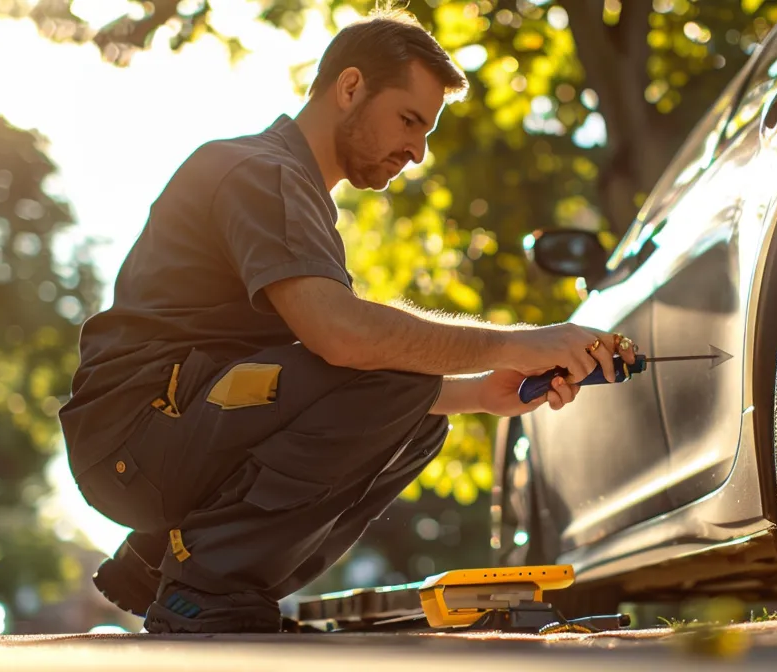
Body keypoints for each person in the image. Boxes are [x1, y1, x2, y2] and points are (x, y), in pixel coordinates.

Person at [58, 10, 636, 634]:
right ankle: (209, 588)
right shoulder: (263, 173)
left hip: (163, 436)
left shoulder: (295, 191)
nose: (417, 151)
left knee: (421, 414)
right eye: (410, 121)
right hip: (139, 434)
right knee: (400, 376)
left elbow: (337, 381)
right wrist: (526, 341)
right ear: (350, 88)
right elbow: (345, 342)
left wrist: (479, 393)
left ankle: (162, 562)